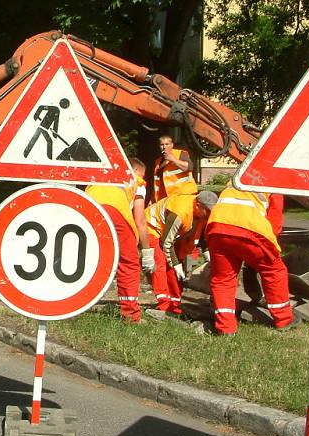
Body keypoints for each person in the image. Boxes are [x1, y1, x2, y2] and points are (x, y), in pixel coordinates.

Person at [205, 187, 294, 336]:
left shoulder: (237, 178)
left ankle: (225, 328)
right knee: (274, 271)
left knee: (223, 280)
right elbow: (275, 224)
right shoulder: (274, 182)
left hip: (217, 227)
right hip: (251, 230)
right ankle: (283, 320)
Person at [85, 158, 152, 322]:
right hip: (115, 210)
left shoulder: (102, 175)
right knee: (129, 263)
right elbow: (141, 221)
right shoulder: (136, 181)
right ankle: (130, 315)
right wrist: (146, 252)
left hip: (88, 208)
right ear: (135, 170)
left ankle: (74, 304)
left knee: (88, 258)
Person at [145, 190, 217, 314]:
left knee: (175, 266)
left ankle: (175, 303)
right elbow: (166, 243)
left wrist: (208, 257)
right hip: (152, 226)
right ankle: (164, 304)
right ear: (198, 205)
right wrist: (176, 264)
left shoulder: (202, 214)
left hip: (173, 234)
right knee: (160, 262)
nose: (210, 214)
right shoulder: (179, 213)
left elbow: (202, 239)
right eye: (208, 211)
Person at [151, 134, 197, 202]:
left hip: (183, 195)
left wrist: (173, 159)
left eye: (167, 144)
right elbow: (157, 182)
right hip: (165, 199)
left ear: (172, 145)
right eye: (162, 144)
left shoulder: (180, 153)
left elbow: (189, 167)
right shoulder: (158, 161)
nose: (164, 147)